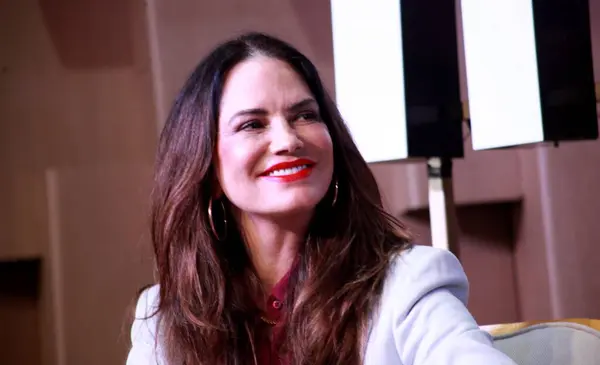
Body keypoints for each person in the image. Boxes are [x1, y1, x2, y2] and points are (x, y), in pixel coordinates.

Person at [126, 32, 516, 365]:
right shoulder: (163, 320)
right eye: (252, 124)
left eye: (304, 115)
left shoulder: (407, 285)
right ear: (208, 170)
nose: (288, 140)